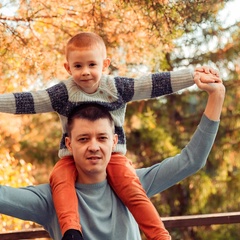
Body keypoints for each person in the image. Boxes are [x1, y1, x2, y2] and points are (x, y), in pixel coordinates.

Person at [0, 32, 221, 240]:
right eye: (83, 139)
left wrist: (209, 90)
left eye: (102, 138)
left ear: (114, 140)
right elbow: (29, 100)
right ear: (69, 143)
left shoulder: (133, 183)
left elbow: (191, 159)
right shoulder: (50, 199)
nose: (94, 146)